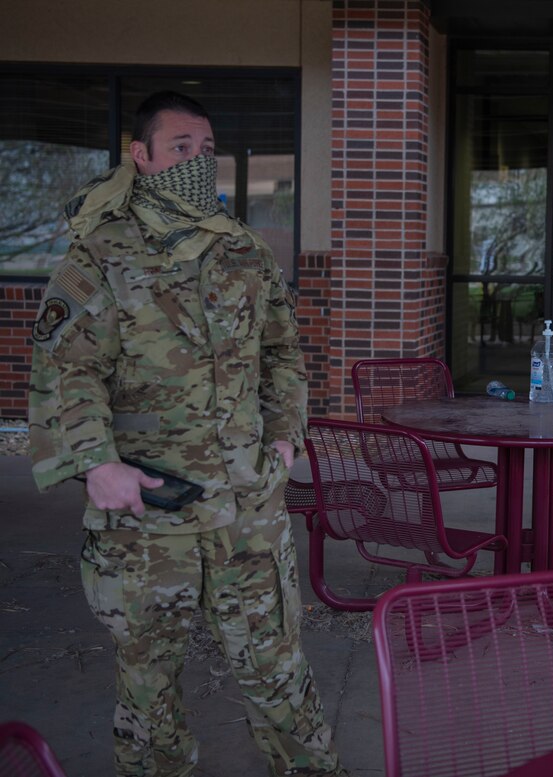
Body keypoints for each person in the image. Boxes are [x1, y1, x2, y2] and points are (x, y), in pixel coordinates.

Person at [27, 91, 345, 775]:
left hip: (248, 505)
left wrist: (285, 437)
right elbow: (68, 369)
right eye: (180, 148)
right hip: (150, 507)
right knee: (149, 680)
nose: (198, 161)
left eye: (207, 150)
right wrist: (96, 463)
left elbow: (283, 354)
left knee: (277, 666)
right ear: (140, 156)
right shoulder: (101, 253)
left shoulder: (244, 249)